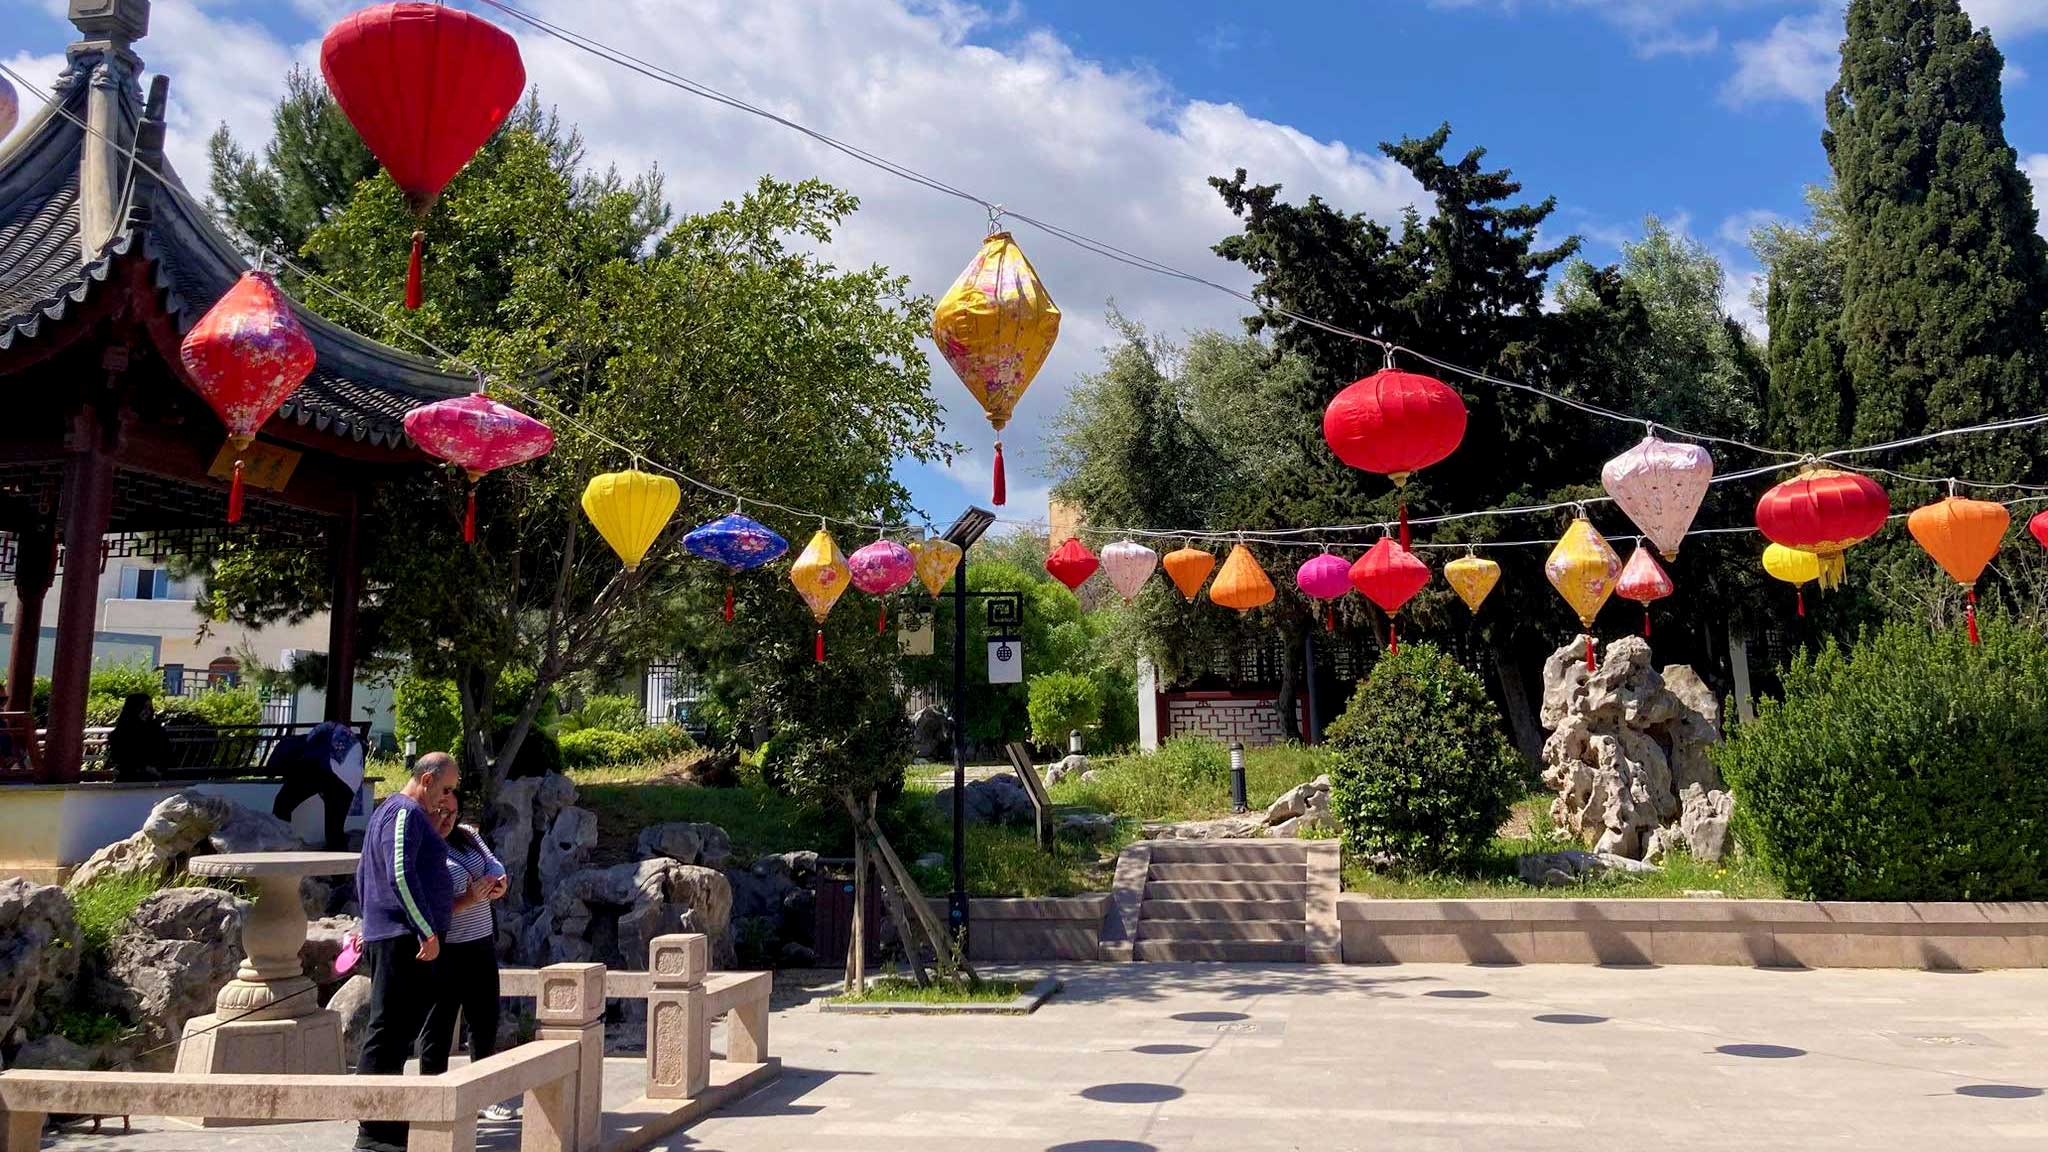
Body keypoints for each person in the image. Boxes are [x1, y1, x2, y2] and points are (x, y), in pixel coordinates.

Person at [352, 752, 457, 1152]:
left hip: (395, 934)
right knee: (388, 1030)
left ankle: (387, 1123)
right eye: (446, 789)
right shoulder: (405, 813)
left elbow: (365, 874)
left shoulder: (394, 813)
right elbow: (399, 871)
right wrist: (425, 929)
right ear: (427, 780)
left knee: (396, 1031)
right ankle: (374, 1129)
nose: (448, 800)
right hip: (401, 937)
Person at [418, 794, 515, 1122]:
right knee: (439, 1025)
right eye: (441, 812)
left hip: (481, 942)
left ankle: (484, 1095)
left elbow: (494, 864)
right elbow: (429, 906)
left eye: (453, 813)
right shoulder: (424, 847)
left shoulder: (469, 836)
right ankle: (433, 1097)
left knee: (484, 1020)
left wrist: (500, 884)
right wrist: (468, 898)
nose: (446, 819)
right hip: (447, 947)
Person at [270, 720, 367, 850]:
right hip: (352, 779)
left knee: (283, 803)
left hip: (331, 769)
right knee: (334, 829)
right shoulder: (331, 731)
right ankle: (337, 860)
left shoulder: (311, 742)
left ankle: (278, 841)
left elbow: (307, 768)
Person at [105, 692, 169, 781]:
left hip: (154, 776)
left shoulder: (156, 729)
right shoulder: (122, 732)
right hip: (128, 776)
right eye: (142, 708)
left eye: (149, 708)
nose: (147, 712)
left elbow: (164, 753)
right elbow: (120, 757)